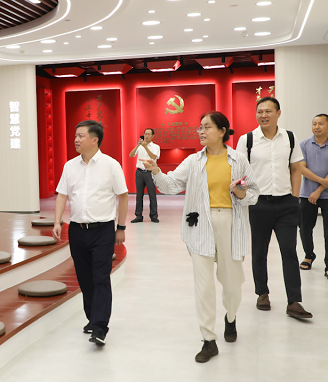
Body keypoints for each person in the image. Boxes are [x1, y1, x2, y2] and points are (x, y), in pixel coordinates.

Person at [145, 112, 258, 363]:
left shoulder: (238, 160)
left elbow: (253, 193)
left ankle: (231, 317)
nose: (201, 132)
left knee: (232, 284)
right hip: (200, 227)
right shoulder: (193, 161)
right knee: (203, 286)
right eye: (200, 128)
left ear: (222, 131)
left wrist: (241, 193)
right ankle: (208, 339)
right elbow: (171, 185)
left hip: (230, 224)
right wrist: (156, 171)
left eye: (207, 127)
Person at [53, 120, 128, 346]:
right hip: (77, 230)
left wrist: (121, 227)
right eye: (75, 135)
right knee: (85, 279)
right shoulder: (70, 166)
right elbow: (62, 195)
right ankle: (92, 318)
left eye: (81, 136)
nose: (76, 139)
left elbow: (123, 196)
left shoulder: (111, 165)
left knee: (100, 277)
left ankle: (100, 326)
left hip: (102, 230)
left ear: (95, 140)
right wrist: (57, 221)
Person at [236, 97, 312, 319]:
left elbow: (296, 169)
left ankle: (294, 301)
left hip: (286, 204)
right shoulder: (247, 140)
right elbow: (238, 174)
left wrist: (295, 198)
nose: (264, 115)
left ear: (278, 113)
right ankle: (262, 293)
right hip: (258, 203)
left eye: (268, 111)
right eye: (260, 111)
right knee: (259, 251)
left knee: (289, 251)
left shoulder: (289, 137)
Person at [298, 113, 328, 281]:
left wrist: (318, 190)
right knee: (304, 227)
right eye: (314, 124)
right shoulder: (303, 145)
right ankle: (309, 255)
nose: (317, 127)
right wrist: (321, 182)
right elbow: (302, 168)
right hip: (306, 194)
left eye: (320, 124)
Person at [129, 128, 160, 223]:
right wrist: (138, 145)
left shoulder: (156, 147)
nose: (146, 136)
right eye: (145, 134)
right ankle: (138, 215)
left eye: (148, 134)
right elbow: (131, 155)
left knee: (152, 195)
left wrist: (145, 147)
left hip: (150, 173)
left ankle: (154, 216)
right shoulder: (140, 146)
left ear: (152, 136)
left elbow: (153, 157)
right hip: (139, 172)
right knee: (139, 195)